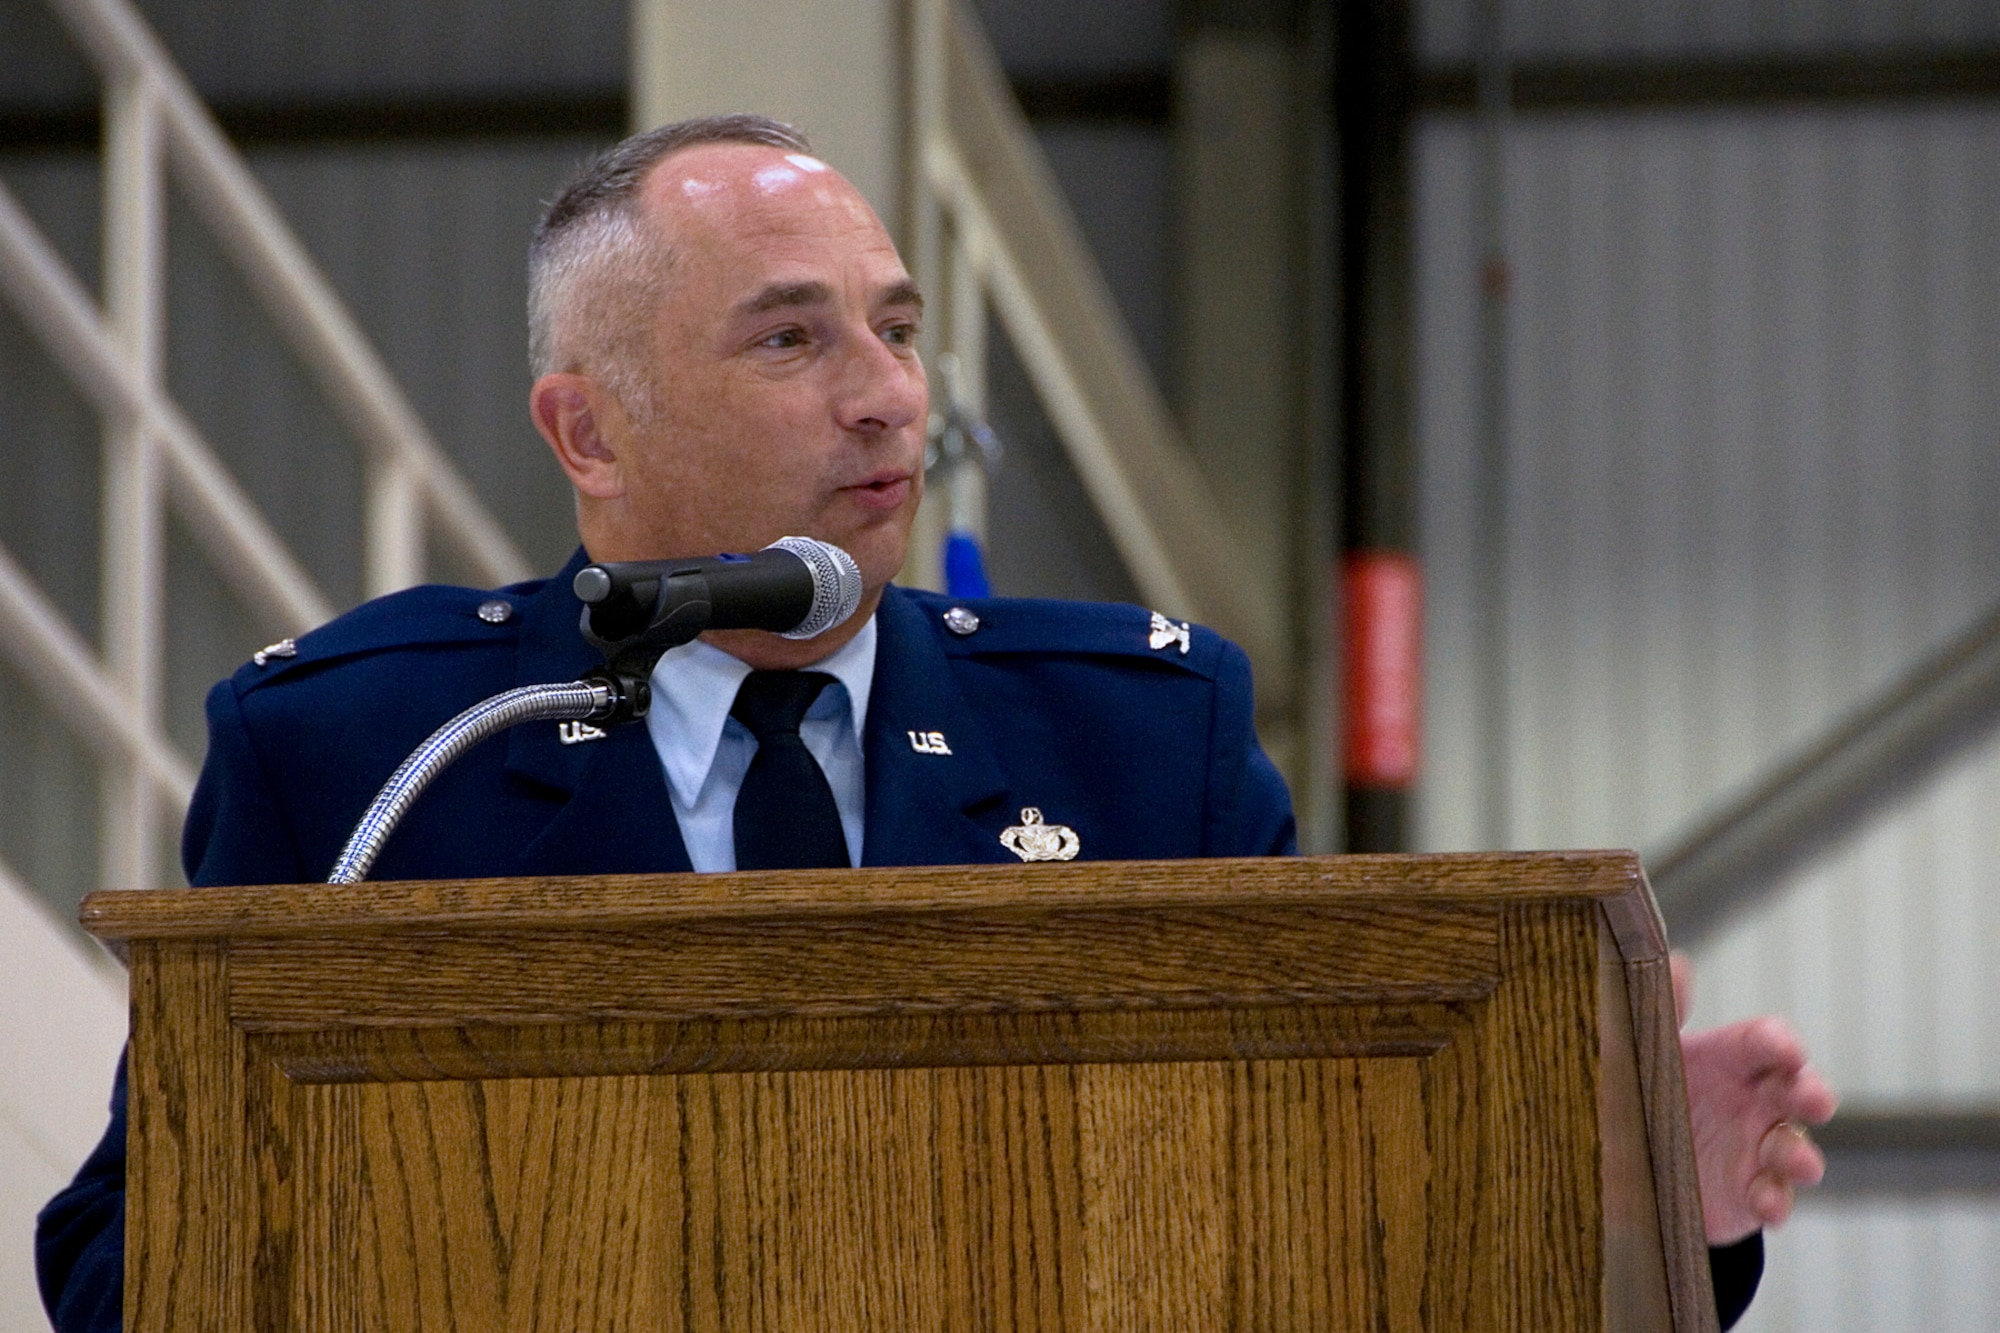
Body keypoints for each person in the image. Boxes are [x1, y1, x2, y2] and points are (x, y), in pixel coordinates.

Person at [36, 114, 1834, 1332]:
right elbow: (122, 1263)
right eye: (792, 340)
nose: (888, 396)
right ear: (589, 430)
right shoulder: (369, 749)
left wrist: (1623, 1188)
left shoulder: (1143, 739)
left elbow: (1335, 1221)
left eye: (897, 331)